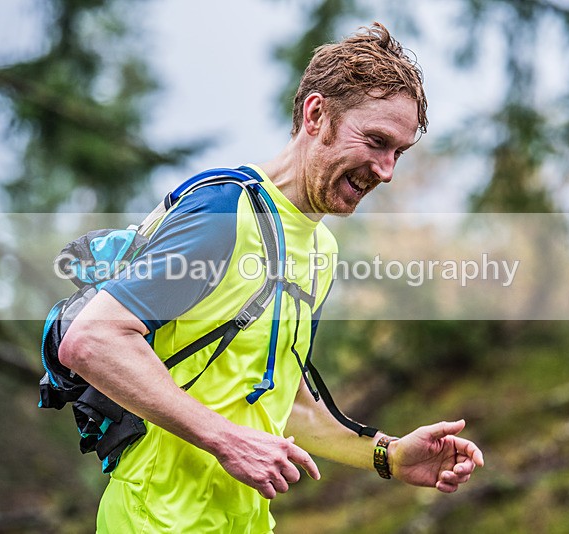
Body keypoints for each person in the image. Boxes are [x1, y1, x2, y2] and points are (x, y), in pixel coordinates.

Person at [58, 21, 484, 533]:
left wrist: (389, 456)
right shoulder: (224, 212)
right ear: (316, 115)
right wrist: (225, 440)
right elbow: (92, 339)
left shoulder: (320, 249)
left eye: (399, 152)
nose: (386, 170)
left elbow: (288, 405)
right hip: (154, 518)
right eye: (375, 141)